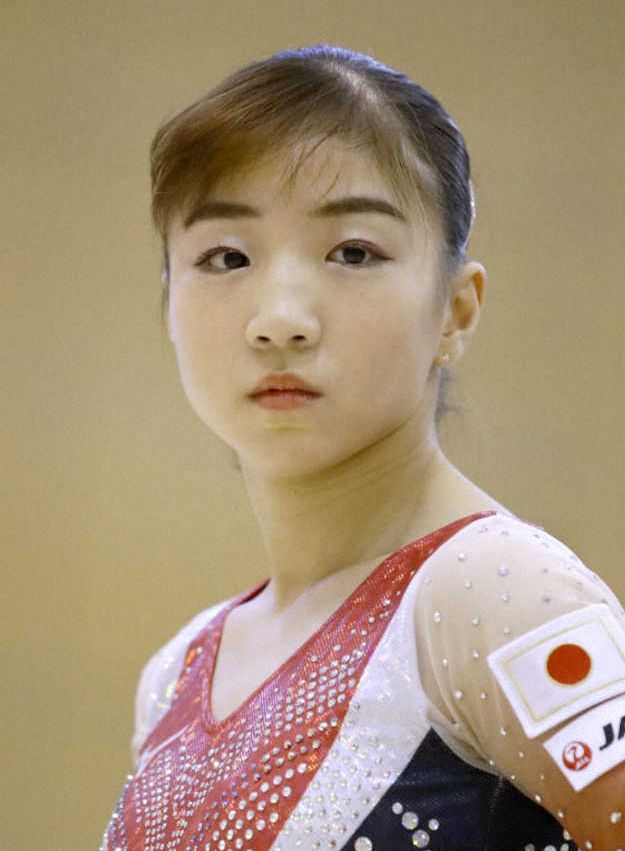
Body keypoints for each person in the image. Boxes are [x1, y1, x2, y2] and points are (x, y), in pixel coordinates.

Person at [101, 45, 625, 851]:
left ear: (455, 310)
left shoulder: (497, 596)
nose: (280, 317)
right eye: (225, 258)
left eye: (352, 253)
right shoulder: (177, 672)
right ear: (169, 301)